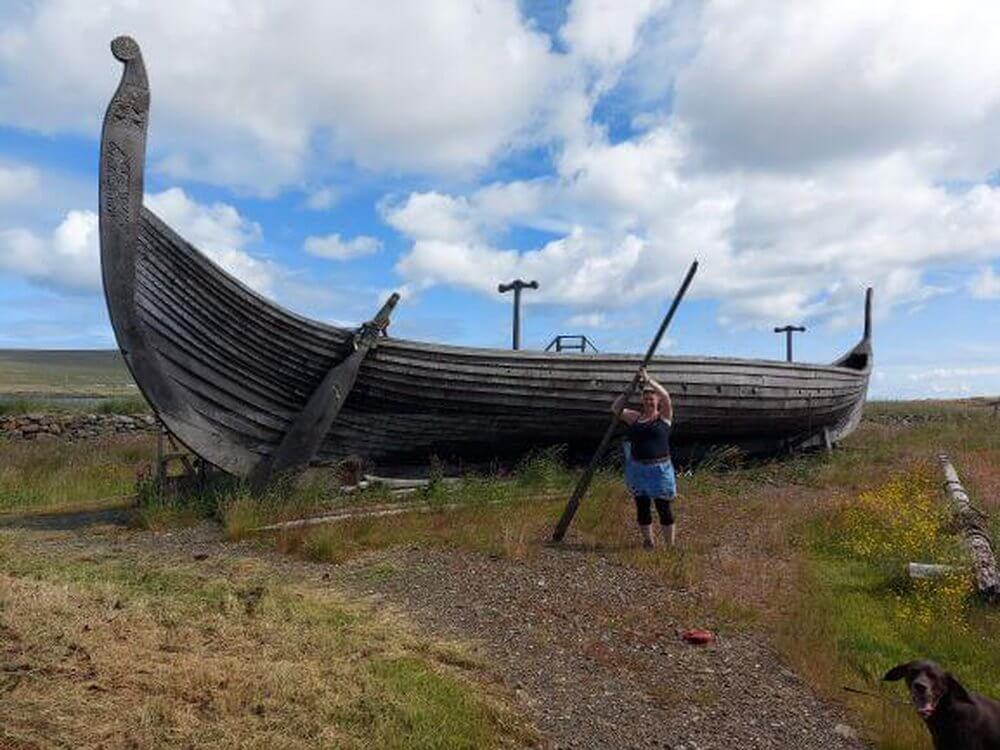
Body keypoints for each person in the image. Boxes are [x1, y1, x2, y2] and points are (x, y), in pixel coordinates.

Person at [611, 367, 677, 549]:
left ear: (657, 401)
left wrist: (649, 381)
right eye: (646, 399)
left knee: (664, 508)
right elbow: (616, 408)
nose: (649, 401)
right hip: (638, 469)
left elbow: (667, 398)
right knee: (642, 507)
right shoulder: (635, 417)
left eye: (652, 399)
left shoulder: (664, 418)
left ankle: (670, 546)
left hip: (660, 470)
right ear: (642, 401)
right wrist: (630, 387)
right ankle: (648, 541)